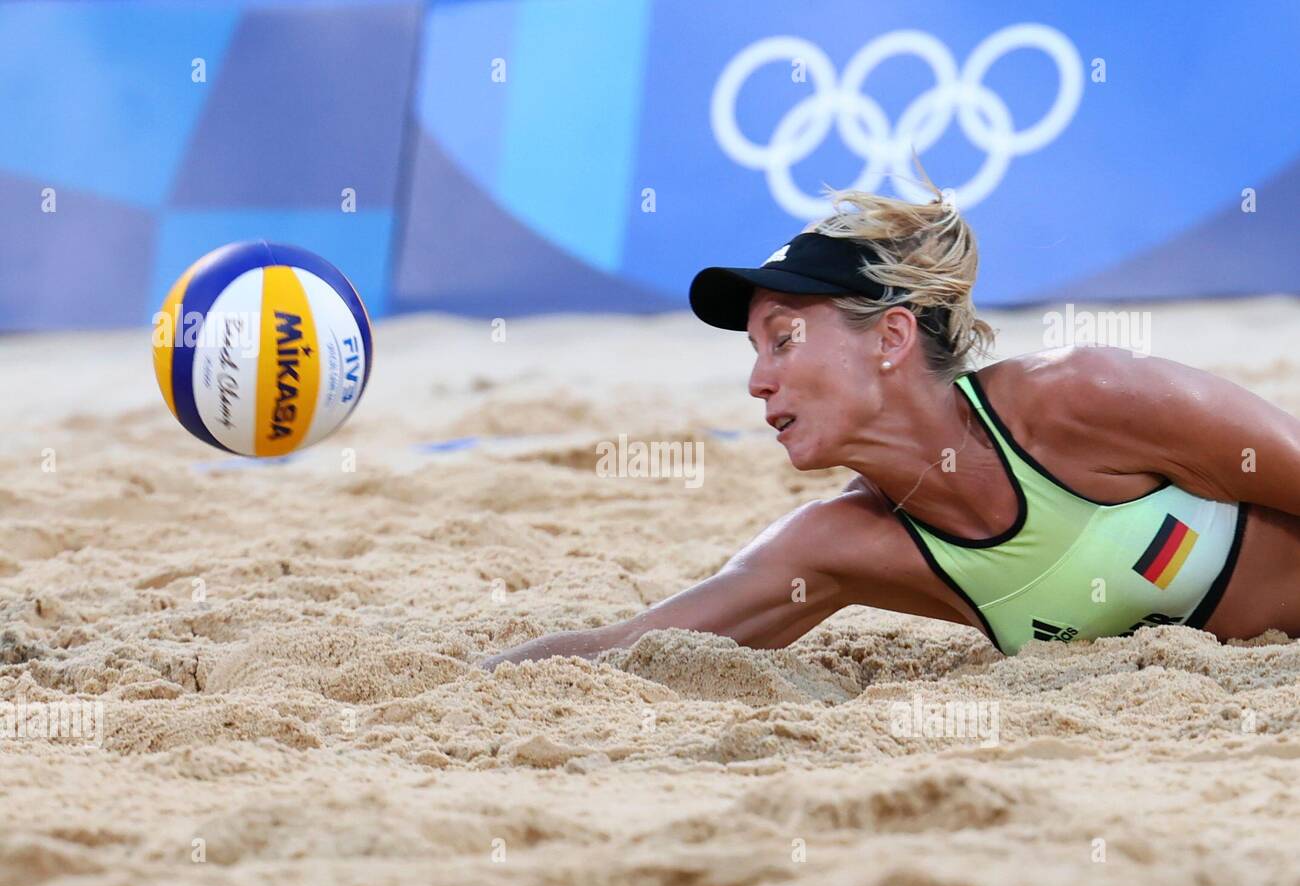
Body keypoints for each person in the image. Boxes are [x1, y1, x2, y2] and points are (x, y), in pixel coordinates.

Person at [481, 187, 1300, 669]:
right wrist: (470, 674)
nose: (758, 377)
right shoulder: (842, 544)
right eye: (755, 348)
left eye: (784, 337)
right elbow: (628, 652)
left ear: (892, 337)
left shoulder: (1087, 398)